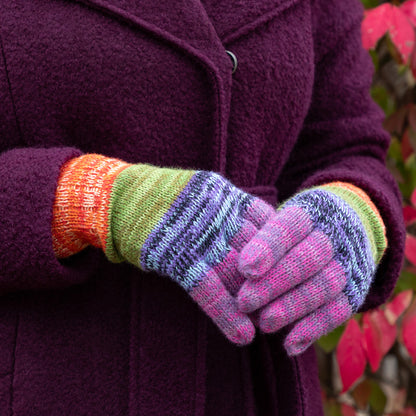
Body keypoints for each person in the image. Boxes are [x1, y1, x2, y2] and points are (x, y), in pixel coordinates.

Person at [0, 0, 405, 414]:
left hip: (255, 382)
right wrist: (92, 199)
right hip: (55, 374)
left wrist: (355, 209)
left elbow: (348, 144)